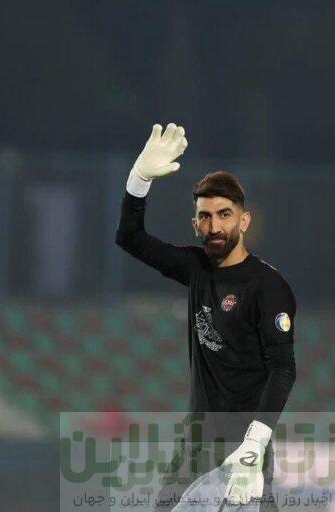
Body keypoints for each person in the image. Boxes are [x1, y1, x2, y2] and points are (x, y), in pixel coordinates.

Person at [115, 123, 297, 510]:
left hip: (245, 446)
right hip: (195, 446)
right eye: (205, 216)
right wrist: (139, 179)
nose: (214, 226)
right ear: (194, 224)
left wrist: (255, 443)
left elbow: (283, 369)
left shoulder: (268, 287)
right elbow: (129, 238)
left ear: (244, 221)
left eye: (224, 214)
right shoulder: (197, 268)